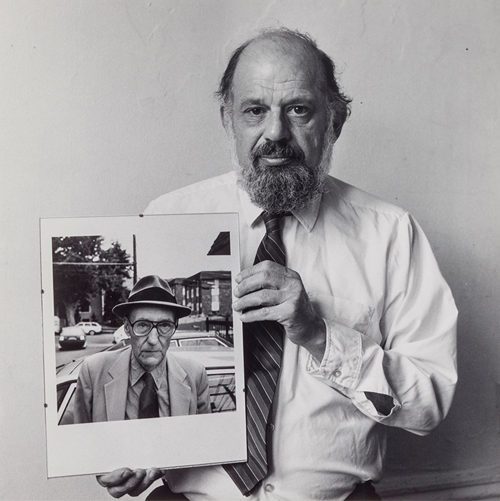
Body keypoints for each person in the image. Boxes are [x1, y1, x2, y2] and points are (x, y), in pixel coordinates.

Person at [97, 28, 457, 500]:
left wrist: (319, 334)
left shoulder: (390, 233)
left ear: (336, 120)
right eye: (254, 111)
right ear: (228, 120)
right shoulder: (168, 217)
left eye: (299, 109)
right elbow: (138, 374)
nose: (275, 134)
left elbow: (427, 406)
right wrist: (131, 450)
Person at [74, 275, 211, 423]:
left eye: (165, 325)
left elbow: (203, 439)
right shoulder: (93, 372)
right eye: (143, 325)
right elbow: (83, 440)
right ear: (127, 327)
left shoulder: (195, 375)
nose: (153, 340)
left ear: (174, 328)